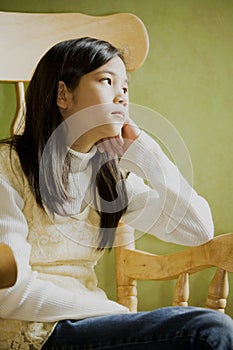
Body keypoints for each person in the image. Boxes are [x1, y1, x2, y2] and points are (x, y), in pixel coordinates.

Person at [0, 37, 232, 350]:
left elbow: (198, 229)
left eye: (125, 87)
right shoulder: (8, 166)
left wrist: (146, 153)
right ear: (62, 94)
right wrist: (113, 312)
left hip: (92, 325)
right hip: (35, 334)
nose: (121, 97)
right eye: (107, 81)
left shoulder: (107, 178)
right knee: (207, 331)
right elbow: (10, 293)